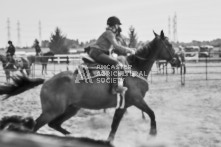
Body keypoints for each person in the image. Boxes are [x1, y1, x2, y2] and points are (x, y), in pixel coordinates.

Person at [88, 16, 135, 95]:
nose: (118, 27)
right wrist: (129, 50)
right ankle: (115, 88)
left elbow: (114, 47)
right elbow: (116, 46)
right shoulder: (109, 33)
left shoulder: (109, 33)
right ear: (114, 25)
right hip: (97, 52)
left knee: (118, 60)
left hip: (98, 52)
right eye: (118, 25)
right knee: (116, 64)